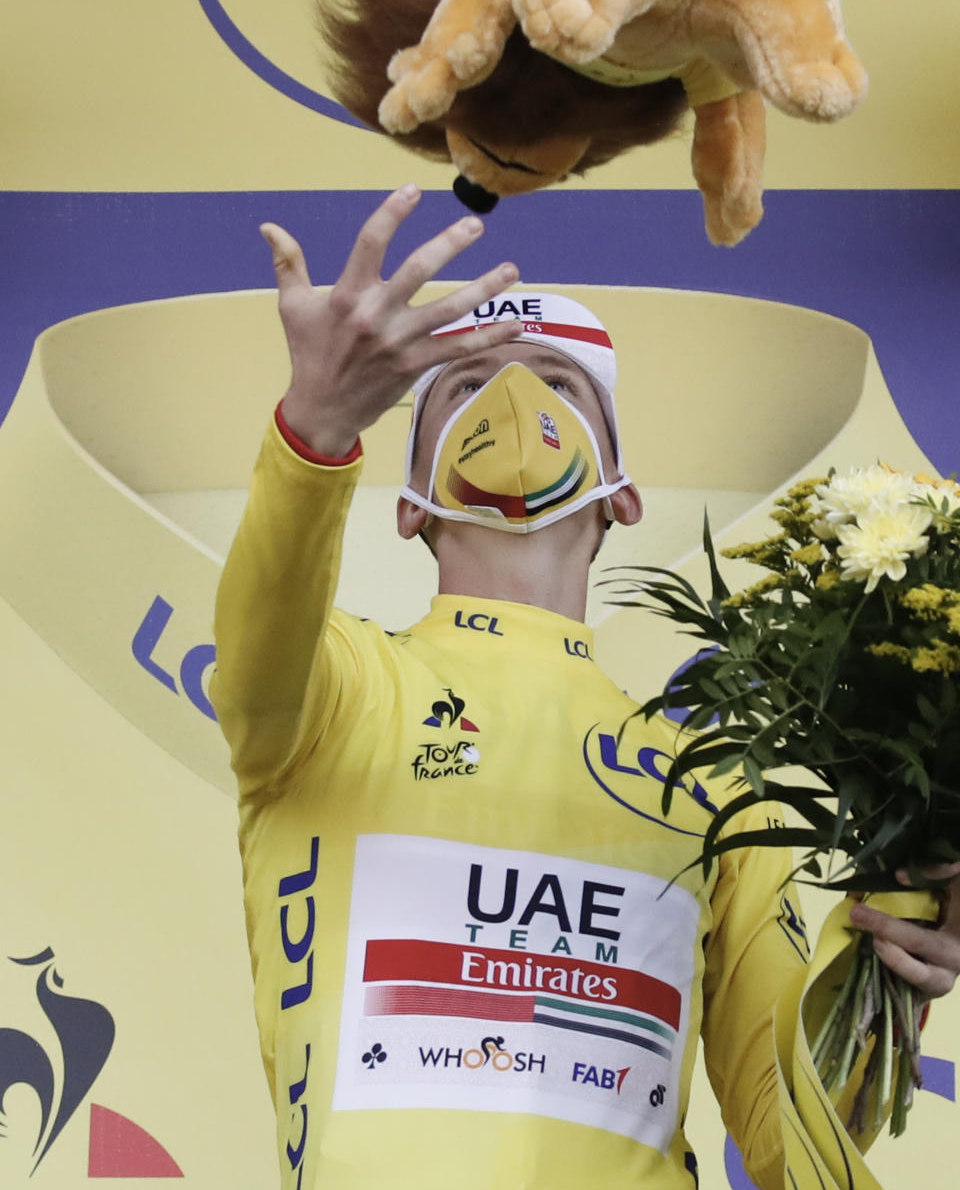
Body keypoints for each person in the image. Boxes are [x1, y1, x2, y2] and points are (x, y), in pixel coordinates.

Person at [210, 186, 960, 1190]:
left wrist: (895, 952)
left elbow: (795, 1145)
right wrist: (313, 432)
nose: (515, 401)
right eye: (464, 383)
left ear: (624, 492)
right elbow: (257, 645)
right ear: (408, 505)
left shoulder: (716, 781)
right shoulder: (336, 685)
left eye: (559, 380)